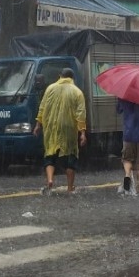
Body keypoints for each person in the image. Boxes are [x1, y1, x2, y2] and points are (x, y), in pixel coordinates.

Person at [33, 67, 87, 195]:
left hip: (51, 126)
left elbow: (42, 107)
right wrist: (83, 133)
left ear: (59, 76)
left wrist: (37, 125)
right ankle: (70, 187)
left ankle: (50, 180)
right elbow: (80, 114)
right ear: (72, 78)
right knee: (70, 157)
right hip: (68, 127)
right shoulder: (77, 92)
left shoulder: (50, 88)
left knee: (50, 155)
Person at [116, 98, 139, 196]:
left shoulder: (123, 96)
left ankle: (128, 175)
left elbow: (118, 110)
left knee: (127, 158)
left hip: (128, 133)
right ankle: (138, 187)